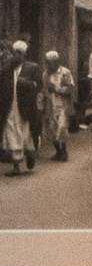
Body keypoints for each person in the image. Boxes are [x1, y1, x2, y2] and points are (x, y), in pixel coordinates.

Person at [2, 39, 41, 175]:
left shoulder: (32, 67)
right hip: (9, 106)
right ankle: (16, 166)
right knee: (11, 133)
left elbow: (38, 86)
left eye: (19, 53)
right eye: (14, 53)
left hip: (25, 107)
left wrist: (26, 83)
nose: (16, 56)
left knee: (26, 133)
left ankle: (30, 152)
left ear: (24, 54)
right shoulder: (7, 69)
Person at [41, 51, 75, 161]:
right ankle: (58, 151)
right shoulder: (45, 75)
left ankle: (64, 151)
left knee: (62, 128)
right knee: (51, 130)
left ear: (56, 62)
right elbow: (44, 90)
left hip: (63, 105)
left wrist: (57, 90)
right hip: (51, 105)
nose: (48, 65)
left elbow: (71, 88)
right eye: (46, 62)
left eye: (49, 62)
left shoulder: (65, 72)